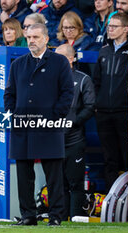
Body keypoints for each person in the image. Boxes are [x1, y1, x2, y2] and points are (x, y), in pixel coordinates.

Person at [4, 23, 74, 226]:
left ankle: (56, 216)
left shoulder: (60, 62)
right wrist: (14, 114)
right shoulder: (18, 64)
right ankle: (28, 215)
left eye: (35, 37)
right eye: (28, 38)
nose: (31, 41)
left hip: (49, 126)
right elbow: (10, 94)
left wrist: (54, 117)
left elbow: (67, 93)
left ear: (46, 38)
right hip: (22, 127)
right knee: (24, 175)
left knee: (54, 175)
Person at [93, 12, 128, 193]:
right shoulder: (104, 49)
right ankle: (111, 196)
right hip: (103, 112)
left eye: (115, 26)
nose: (110, 29)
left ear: (126, 29)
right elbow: (96, 80)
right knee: (109, 157)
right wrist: (95, 104)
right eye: (109, 26)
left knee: (127, 155)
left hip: (124, 110)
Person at [55, 44, 95, 219]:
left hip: (74, 140)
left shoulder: (83, 79)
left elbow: (90, 106)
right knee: (58, 183)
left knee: (75, 183)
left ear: (71, 59)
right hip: (53, 140)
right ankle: (60, 220)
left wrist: (73, 121)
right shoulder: (48, 79)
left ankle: (76, 220)